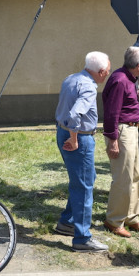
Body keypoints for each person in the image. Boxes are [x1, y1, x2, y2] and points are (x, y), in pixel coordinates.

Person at [54, 51, 111, 252]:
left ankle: (67, 222)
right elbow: (74, 114)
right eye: (107, 71)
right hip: (79, 137)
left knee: (84, 179)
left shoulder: (72, 78)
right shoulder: (88, 86)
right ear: (101, 71)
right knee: (84, 187)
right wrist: (74, 138)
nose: (107, 75)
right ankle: (82, 238)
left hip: (62, 131)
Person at [102, 46, 139, 238]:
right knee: (123, 178)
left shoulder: (128, 79)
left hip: (130, 130)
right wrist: (113, 140)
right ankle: (114, 220)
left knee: (134, 176)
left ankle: (131, 217)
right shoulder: (120, 80)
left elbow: (122, 104)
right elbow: (111, 112)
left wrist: (136, 95)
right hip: (122, 132)